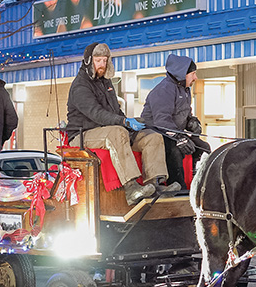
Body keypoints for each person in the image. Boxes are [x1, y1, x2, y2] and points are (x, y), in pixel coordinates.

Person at [67, 43, 176, 205]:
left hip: (109, 129)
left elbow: (115, 111)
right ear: (89, 61)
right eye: (98, 61)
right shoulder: (80, 86)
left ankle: (154, 184)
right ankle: (131, 187)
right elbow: (96, 114)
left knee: (152, 137)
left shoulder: (106, 82)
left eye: (105, 60)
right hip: (83, 133)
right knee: (117, 132)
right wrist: (123, 122)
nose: (102, 65)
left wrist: (130, 123)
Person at [140, 54, 211, 189]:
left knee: (203, 147)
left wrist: (192, 121)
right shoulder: (164, 90)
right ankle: (177, 186)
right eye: (193, 74)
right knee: (174, 150)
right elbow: (162, 120)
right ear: (182, 73)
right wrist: (179, 137)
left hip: (175, 133)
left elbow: (185, 112)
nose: (195, 78)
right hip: (157, 134)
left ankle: (198, 183)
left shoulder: (185, 89)